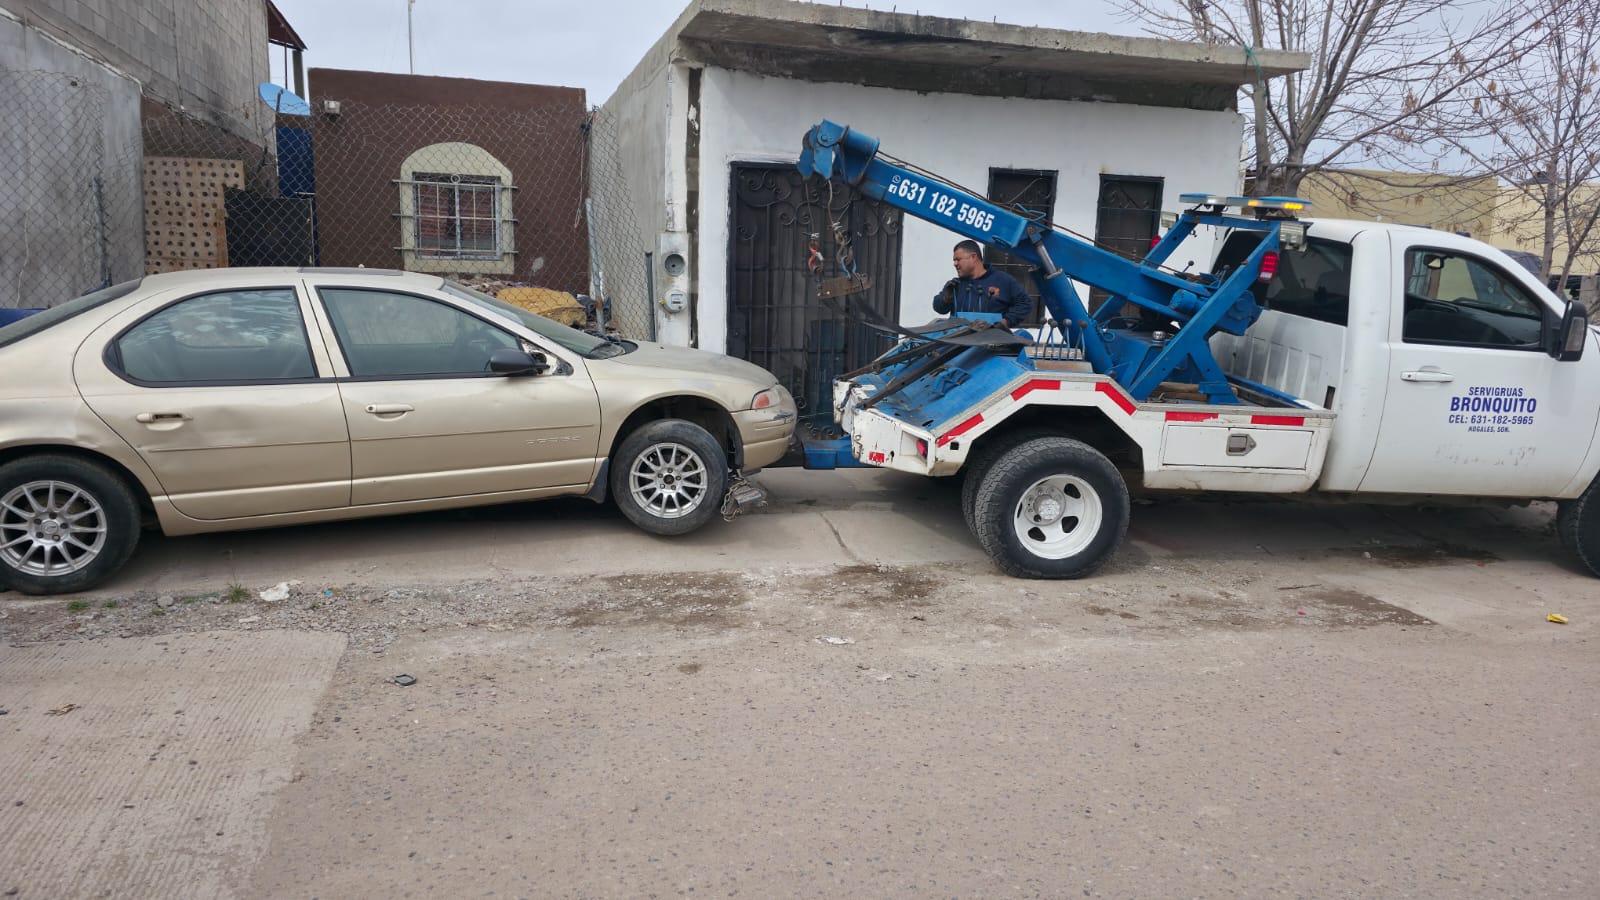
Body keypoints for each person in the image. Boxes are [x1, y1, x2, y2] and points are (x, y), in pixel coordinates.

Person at [932, 240, 1033, 328]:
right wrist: (945, 299)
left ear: (973, 257)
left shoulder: (1002, 280)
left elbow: (1025, 303)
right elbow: (939, 307)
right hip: (957, 341)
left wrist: (1006, 321)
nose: (955, 264)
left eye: (958, 259)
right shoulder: (955, 285)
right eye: (954, 261)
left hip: (992, 341)